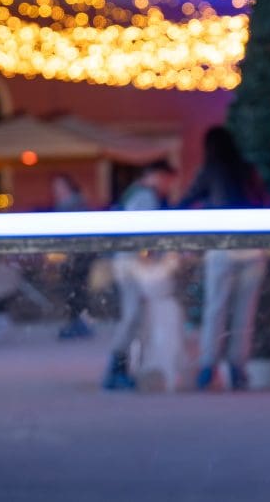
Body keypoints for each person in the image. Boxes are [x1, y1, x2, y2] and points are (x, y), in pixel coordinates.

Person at [179, 126, 269, 391]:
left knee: (215, 308)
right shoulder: (247, 169)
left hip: (222, 246)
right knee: (245, 311)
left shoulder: (210, 170)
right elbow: (263, 201)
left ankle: (208, 367)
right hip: (253, 248)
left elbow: (187, 200)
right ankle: (238, 368)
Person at [102, 158, 178, 390]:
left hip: (129, 262)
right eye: (167, 180)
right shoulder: (146, 196)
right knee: (132, 315)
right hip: (132, 264)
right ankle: (116, 370)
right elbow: (144, 233)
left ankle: (119, 369)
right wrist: (152, 256)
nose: (168, 186)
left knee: (133, 316)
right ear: (157, 175)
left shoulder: (136, 193)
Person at [52, 173, 97, 339]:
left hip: (78, 257)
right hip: (71, 256)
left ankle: (80, 324)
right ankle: (77, 323)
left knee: (77, 291)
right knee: (73, 291)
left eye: (60, 186)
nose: (57, 190)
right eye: (55, 187)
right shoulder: (65, 204)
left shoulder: (74, 204)